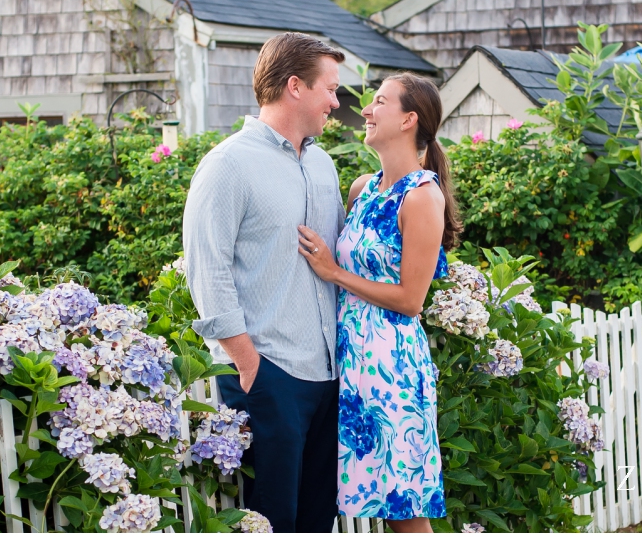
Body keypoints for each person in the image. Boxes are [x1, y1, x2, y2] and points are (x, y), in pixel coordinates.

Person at [183, 32, 347, 533]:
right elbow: (205, 269)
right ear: (295, 86)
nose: (337, 103)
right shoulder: (228, 164)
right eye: (330, 89)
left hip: (328, 376)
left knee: (319, 520)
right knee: (271, 521)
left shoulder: (322, 164)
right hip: (268, 374)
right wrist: (250, 365)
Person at [298, 72, 462, 533]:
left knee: (405, 514)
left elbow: (412, 299)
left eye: (379, 102)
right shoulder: (363, 188)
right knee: (376, 508)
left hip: (393, 366)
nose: (366, 111)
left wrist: (334, 272)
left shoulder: (422, 196)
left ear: (409, 119)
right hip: (351, 364)